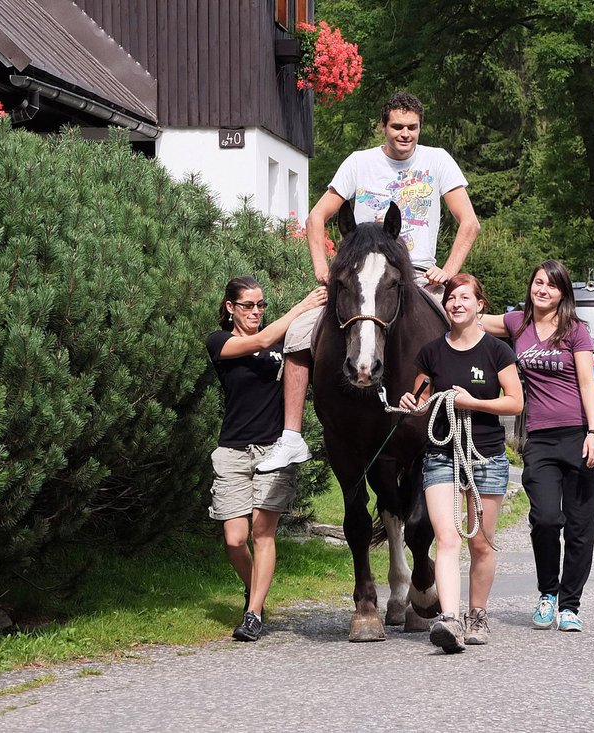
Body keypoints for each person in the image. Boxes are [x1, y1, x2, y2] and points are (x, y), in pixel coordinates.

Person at [253, 91, 481, 473]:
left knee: (462, 341)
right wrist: (322, 268)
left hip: (419, 276)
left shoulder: (438, 160)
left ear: (420, 127)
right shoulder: (359, 163)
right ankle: (291, 437)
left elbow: (469, 222)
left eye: (412, 127)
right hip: (359, 276)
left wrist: (448, 269)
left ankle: (463, 442)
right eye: (397, 127)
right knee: (296, 334)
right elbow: (316, 218)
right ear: (383, 126)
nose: (405, 134)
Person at [398, 274, 522, 653]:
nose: (456, 303)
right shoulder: (431, 353)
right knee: (447, 539)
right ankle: (449, 620)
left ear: (479, 305)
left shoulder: (497, 352)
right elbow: (422, 398)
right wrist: (412, 404)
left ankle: (477, 614)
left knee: (481, 544)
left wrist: (475, 403)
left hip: (486, 457)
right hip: (441, 456)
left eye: (464, 297)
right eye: (451, 298)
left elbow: (515, 402)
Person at [480, 259, 594, 632]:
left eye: (551, 285)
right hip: (540, 440)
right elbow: (468, 313)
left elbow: (587, 383)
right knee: (547, 519)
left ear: (563, 293)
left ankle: (570, 605)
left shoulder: (575, 330)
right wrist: (436, 285)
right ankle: (548, 593)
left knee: (581, 528)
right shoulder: (517, 323)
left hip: (580, 436)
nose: (543, 290)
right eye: (538, 283)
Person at [206, 276, 327, 641]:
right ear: (230, 308)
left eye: (261, 305)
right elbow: (258, 341)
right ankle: (255, 588)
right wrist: (303, 306)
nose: (256, 312)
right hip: (232, 450)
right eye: (248, 305)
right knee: (233, 539)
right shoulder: (221, 342)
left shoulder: (284, 345)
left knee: (262, 532)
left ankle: (254, 613)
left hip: (274, 450)